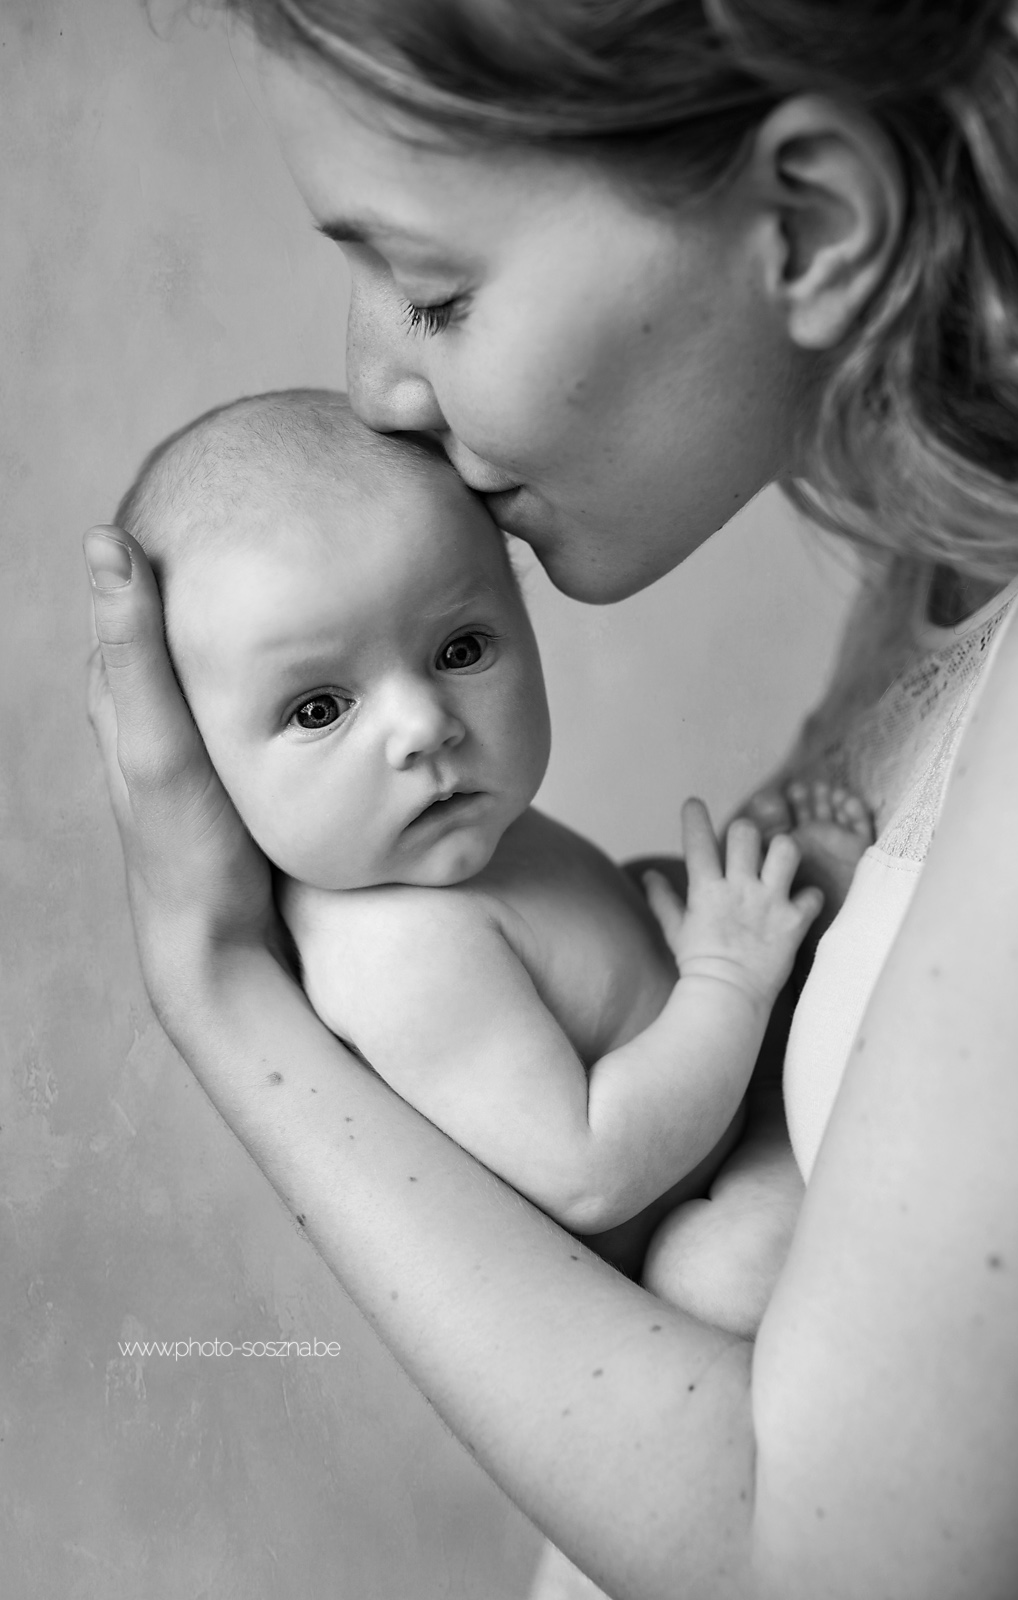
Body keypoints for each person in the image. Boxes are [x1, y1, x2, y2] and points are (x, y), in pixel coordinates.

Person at [82, 2, 1018, 1597]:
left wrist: (220, 993)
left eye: (431, 288)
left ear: (810, 222)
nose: (375, 388)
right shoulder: (940, 555)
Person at [114, 383, 853, 1289]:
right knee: (727, 1268)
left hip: (723, 1126)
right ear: (199, 757)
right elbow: (591, 1170)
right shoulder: (396, 951)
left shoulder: (443, 832)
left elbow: (585, 971)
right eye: (318, 707)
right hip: (680, 1226)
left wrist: (674, 919)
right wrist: (728, 979)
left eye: (459, 650)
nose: (423, 724)